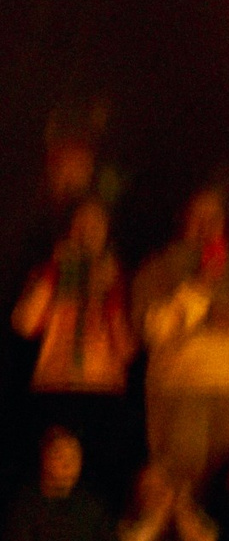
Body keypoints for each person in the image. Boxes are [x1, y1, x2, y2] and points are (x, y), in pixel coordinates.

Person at [133, 185, 229, 489]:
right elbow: (152, 329)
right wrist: (198, 289)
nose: (206, 226)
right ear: (183, 221)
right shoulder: (158, 269)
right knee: (182, 483)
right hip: (180, 393)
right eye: (198, 216)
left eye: (214, 217)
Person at [12, 199, 140, 499]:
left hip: (103, 389)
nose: (87, 232)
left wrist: (110, 297)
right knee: (52, 476)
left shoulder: (120, 275)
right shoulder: (49, 271)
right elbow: (24, 324)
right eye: (81, 224)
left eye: (96, 224)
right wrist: (55, 273)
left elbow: (127, 350)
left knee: (99, 477)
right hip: (55, 385)